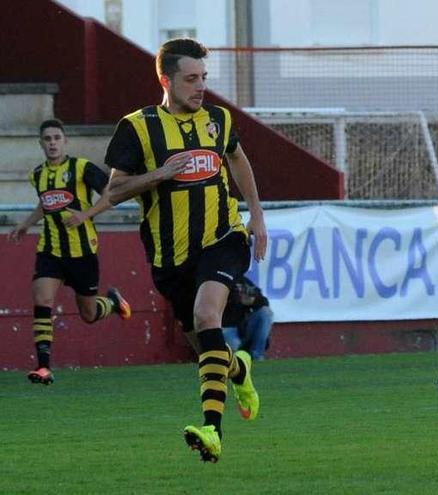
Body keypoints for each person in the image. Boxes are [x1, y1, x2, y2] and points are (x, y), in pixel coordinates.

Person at [105, 38, 269, 463]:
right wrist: (159, 174)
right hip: (169, 257)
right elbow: (115, 190)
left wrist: (257, 216)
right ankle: (239, 368)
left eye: (204, 78)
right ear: (166, 80)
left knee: (206, 315)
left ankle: (212, 432)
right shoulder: (137, 127)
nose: (200, 87)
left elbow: (239, 159)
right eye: (191, 79)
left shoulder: (218, 119)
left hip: (224, 238)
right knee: (207, 346)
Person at [7, 119, 131, 385]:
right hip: (50, 251)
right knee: (42, 300)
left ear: (65, 141)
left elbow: (111, 194)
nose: (52, 143)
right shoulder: (37, 174)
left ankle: (112, 303)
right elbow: (46, 203)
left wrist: (84, 215)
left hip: (83, 253)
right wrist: (26, 225)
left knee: (88, 314)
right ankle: (43, 367)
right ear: (41, 143)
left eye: (56, 138)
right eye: (47, 139)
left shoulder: (82, 168)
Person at [222, 275, 273, 360]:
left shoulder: (242, 281)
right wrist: (236, 299)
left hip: (243, 326)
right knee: (238, 357)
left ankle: (257, 356)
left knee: (265, 312)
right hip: (225, 326)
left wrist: (252, 301)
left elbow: (263, 301)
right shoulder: (217, 280)